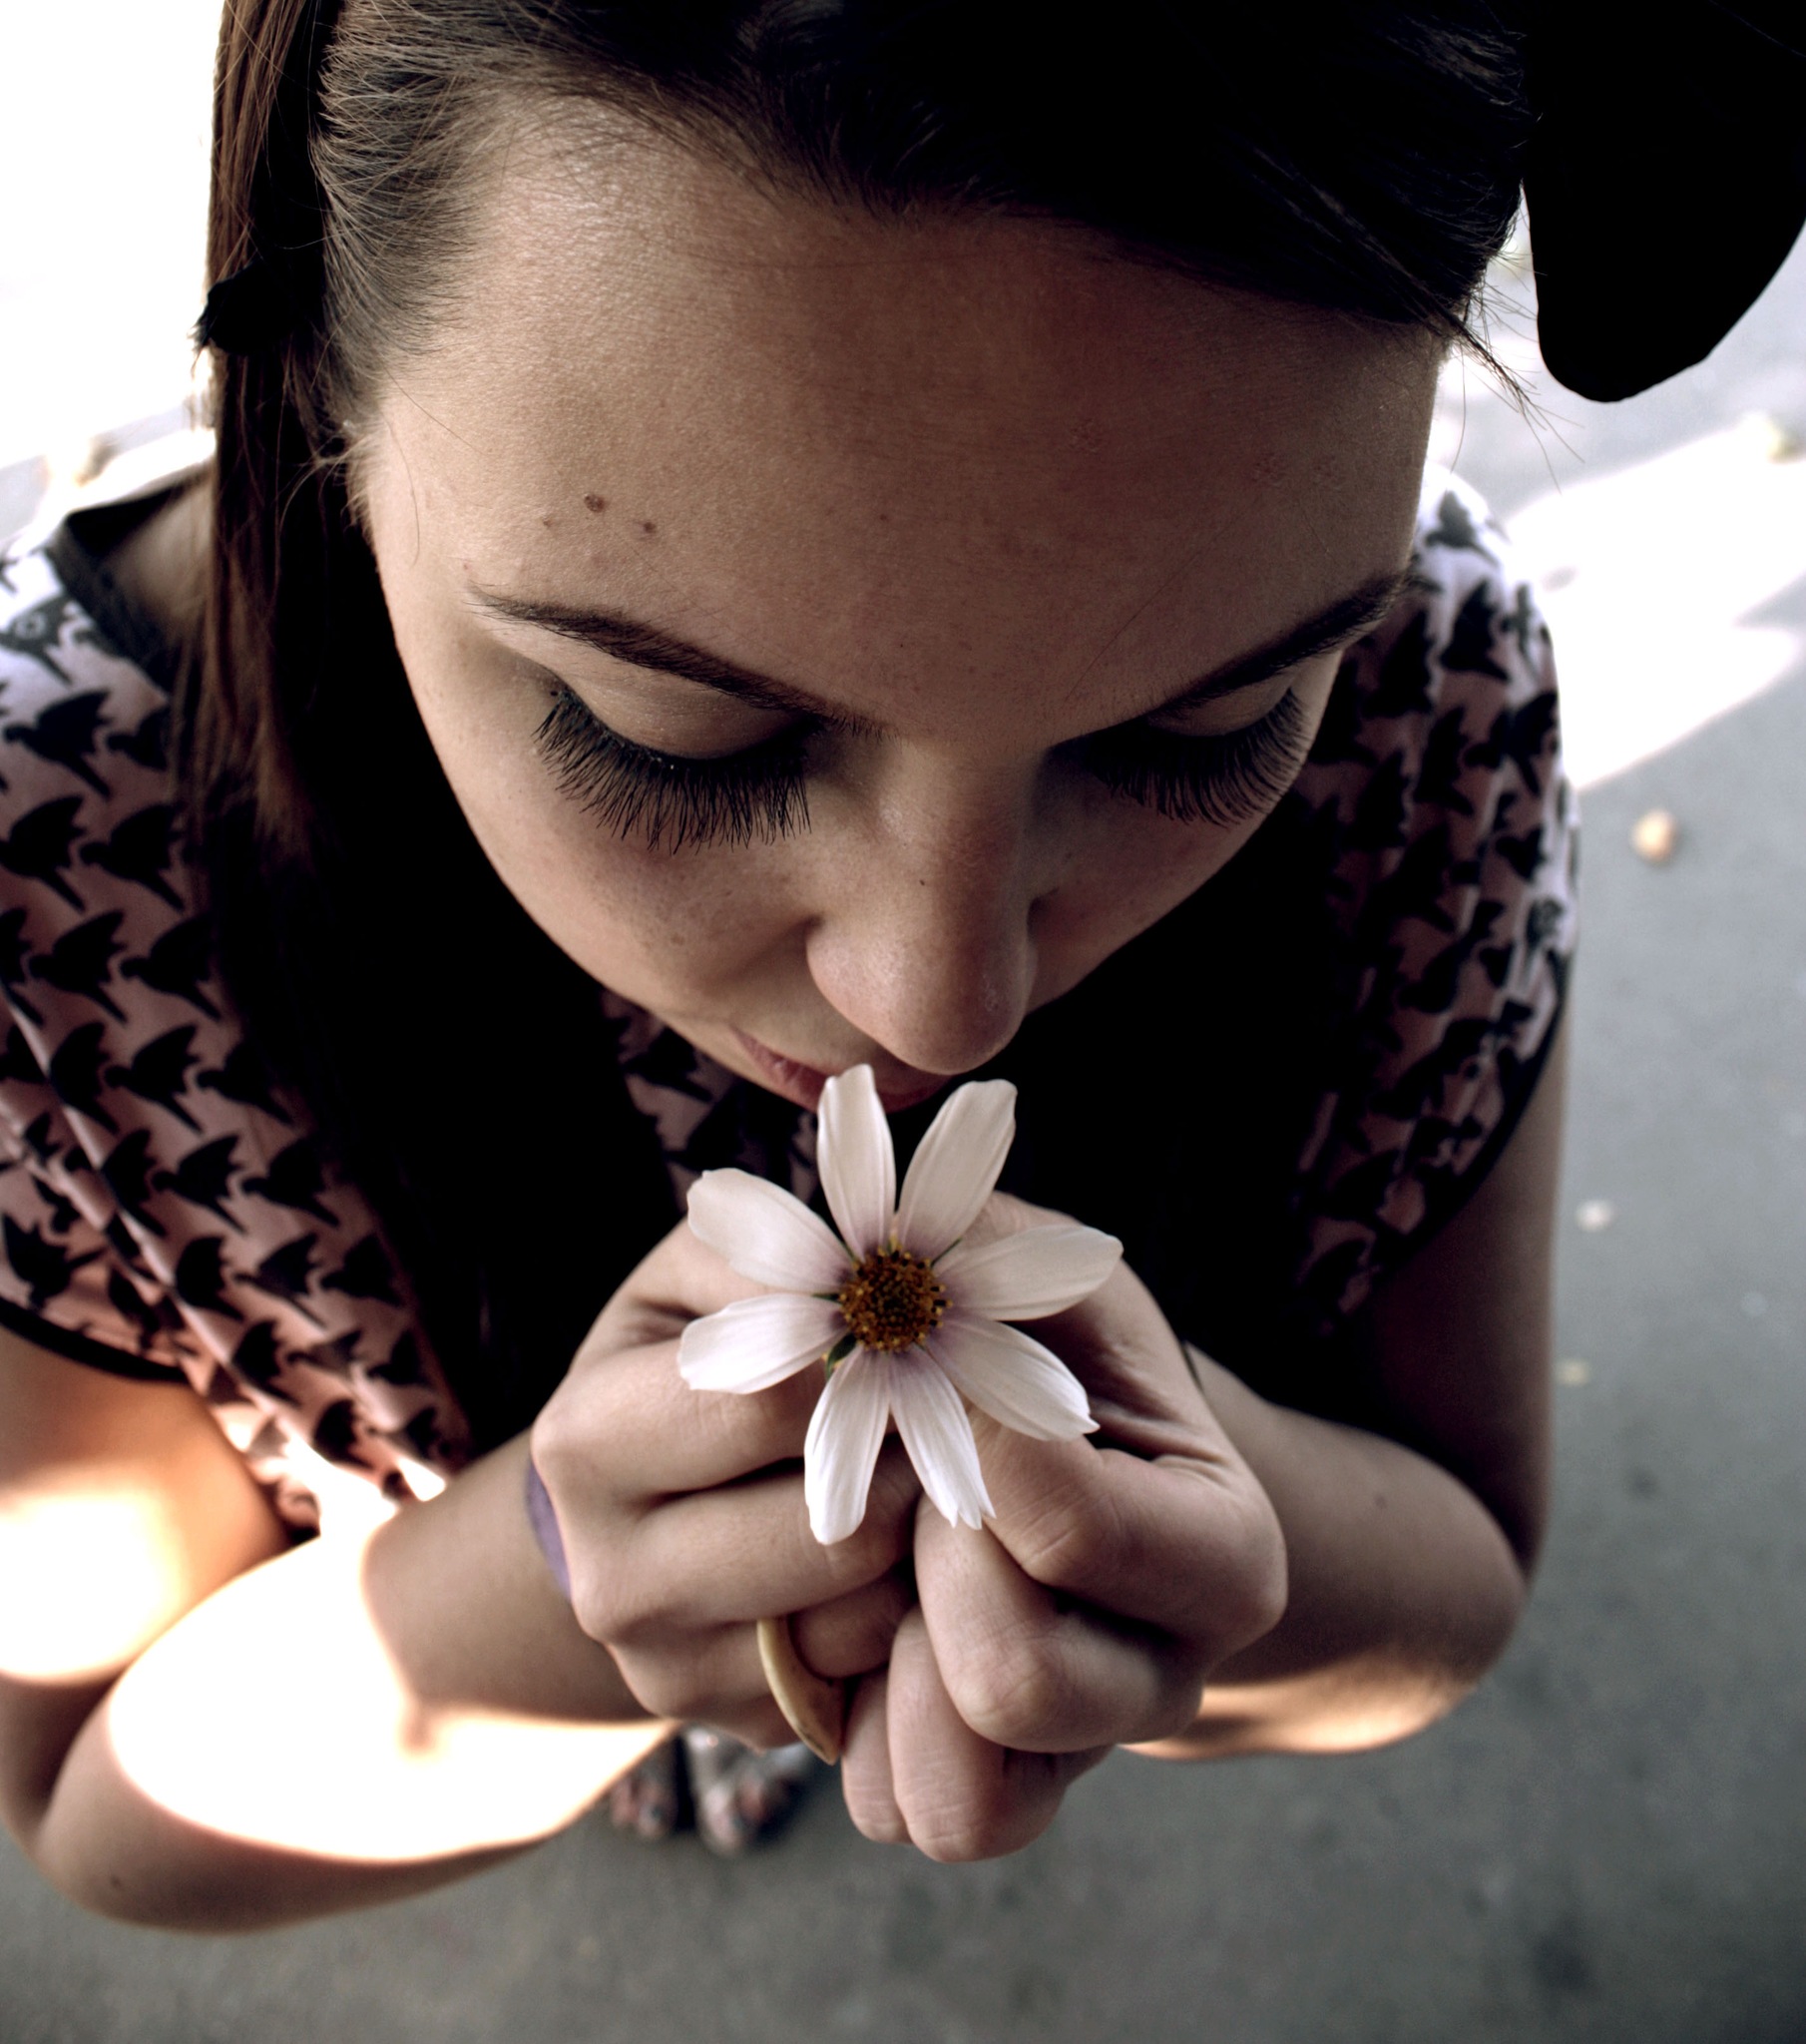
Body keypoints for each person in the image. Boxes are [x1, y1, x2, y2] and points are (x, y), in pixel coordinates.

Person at [0, 0, 1794, 1931]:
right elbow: (99, 1805)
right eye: (674, 733)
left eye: (1207, 728)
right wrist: (553, 1591)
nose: (940, 1011)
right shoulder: (54, 894)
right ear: (319, 372)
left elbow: (1454, 1564)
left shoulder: (1424, 707)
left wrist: (1212, 1551)